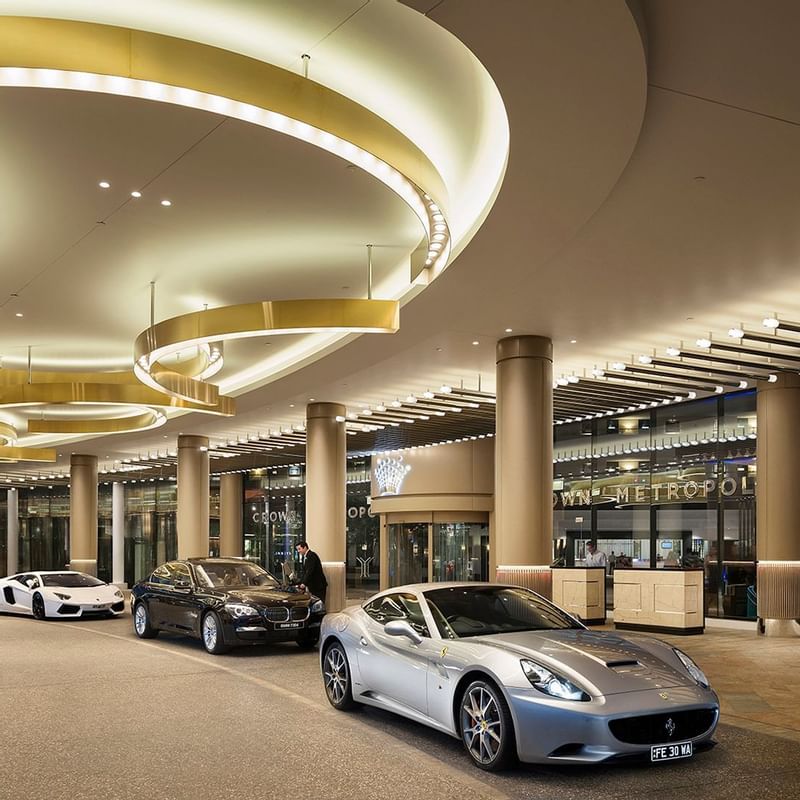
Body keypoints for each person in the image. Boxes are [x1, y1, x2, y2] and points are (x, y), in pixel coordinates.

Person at [295, 540, 328, 605]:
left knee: (319, 604)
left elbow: (310, 571)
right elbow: (306, 572)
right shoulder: (306, 556)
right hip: (314, 586)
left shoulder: (311, 555)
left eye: (299, 549)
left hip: (318, 585)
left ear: (305, 547)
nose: (298, 551)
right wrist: (300, 582)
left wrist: (304, 583)